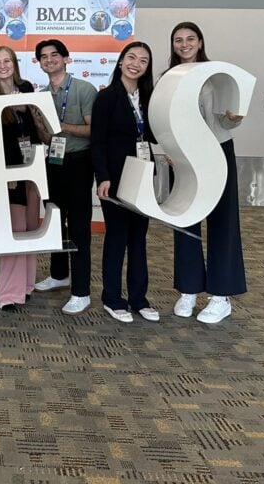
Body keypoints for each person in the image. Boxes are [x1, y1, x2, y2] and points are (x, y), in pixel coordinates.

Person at [167, 22, 246, 324]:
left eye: (190, 39)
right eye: (178, 40)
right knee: (185, 221)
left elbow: (223, 121)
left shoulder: (216, 75)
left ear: (200, 42)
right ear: (172, 45)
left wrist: (233, 119)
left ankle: (220, 295)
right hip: (183, 157)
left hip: (217, 153)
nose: (184, 44)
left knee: (222, 221)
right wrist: (171, 151)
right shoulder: (168, 78)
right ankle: (188, 289)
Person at [92, 41, 159, 324]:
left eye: (143, 60)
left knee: (138, 238)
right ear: (121, 62)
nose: (136, 63)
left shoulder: (151, 97)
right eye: (131, 57)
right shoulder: (107, 98)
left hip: (143, 174)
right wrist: (102, 177)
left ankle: (138, 298)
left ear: (147, 68)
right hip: (117, 178)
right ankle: (112, 298)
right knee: (117, 237)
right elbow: (98, 142)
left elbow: (154, 134)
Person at [30, 39, 97, 316]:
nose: (49, 60)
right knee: (55, 221)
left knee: (79, 227)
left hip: (80, 163)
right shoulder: (43, 93)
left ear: (66, 59)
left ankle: (81, 291)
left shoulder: (84, 89)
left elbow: (92, 130)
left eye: (54, 55)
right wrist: (38, 123)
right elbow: (49, 138)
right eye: (43, 57)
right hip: (54, 161)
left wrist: (60, 125)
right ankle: (59, 275)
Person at [0, 46, 40, 312]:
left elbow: (37, 127)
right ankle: (8, 293)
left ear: (15, 64)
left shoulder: (27, 87)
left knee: (31, 229)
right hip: (6, 173)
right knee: (13, 232)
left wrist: (26, 108)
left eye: (7, 60)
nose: (3, 65)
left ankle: (26, 286)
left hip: (32, 168)